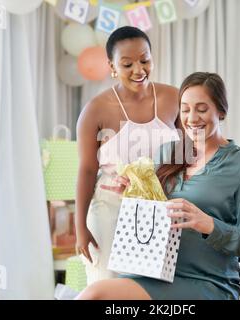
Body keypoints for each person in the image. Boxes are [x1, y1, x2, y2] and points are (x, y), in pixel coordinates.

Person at [76, 72, 240, 300]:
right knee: (94, 294)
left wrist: (208, 224)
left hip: (209, 283)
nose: (192, 118)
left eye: (202, 109)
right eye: (185, 109)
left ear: (221, 111)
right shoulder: (168, 152)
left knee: (96, 296)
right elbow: (153, 211)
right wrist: (134, 190)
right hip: (154, 274)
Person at [76, 26, 180, 285]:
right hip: (111, 207)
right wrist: (80, 228)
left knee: (151, 289)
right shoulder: (95, 110)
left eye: (144, 60)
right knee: (108, 285)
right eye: (127, 64)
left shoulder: (173, 97)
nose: (138, 70)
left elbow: (193, 153)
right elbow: (87, 170)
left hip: (160, 208)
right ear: (112, 67)